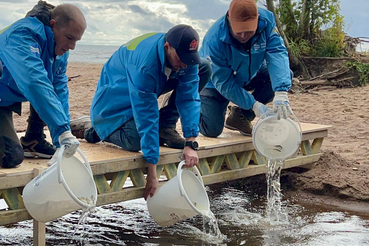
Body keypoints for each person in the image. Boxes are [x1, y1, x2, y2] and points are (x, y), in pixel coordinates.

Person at [71, 25, 211, 199]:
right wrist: (152, 171)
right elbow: (147, 116)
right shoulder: (145, 66)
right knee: (135, 140)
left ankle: (165, 126)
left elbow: (189, 97)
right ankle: (93, 129)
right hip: (115, 97)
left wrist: (191, 143)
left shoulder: (184, 57)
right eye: (181, 58)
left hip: (143, 87)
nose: (185, 64)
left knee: (204, 68)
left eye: (189, 58)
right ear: (167, 47)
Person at [0, 1, 86, 168]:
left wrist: (63, 136)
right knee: (11, 157)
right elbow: (34, 81)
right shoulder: (23, 34)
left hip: (7, 97)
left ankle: (33, 138)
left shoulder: (59, 49)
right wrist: (61, 130)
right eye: (69, 38)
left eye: (76, 40)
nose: (72, 46)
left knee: (49, 87)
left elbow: (59, 90)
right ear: (53, 26)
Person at [198, 0, 294, 138]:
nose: (243, 36)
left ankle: (240, 116)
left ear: (257, 20)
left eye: (248, 31)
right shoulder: (214, 40)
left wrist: (281, 91)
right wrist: (255, 105)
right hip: (215, 82)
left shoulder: (266, 22)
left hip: (248, 74)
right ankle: (187, 105)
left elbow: (277, 52)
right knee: (212, 130)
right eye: (239, 32)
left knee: (283, 76)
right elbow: (224, 84)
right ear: (229, 20)